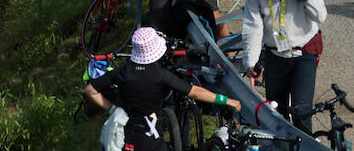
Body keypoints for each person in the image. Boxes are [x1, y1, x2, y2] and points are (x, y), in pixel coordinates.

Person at [82, 27, 240, 147]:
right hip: (150, 136)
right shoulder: (160, 75)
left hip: (126, 135)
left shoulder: (122, 72)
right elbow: (195, 92)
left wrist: (113, 109)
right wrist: (227, 101)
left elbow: (90, 91)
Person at [242, 0, 328, 131]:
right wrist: (250, 63)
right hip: (275, 54)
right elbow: (253, 27)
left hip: (303, 51)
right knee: (276, 112)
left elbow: (320, 15)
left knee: (301, 111)